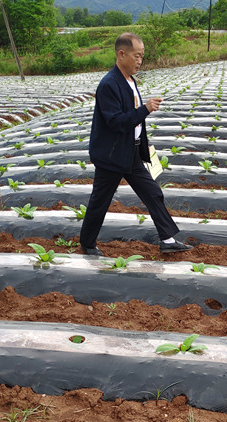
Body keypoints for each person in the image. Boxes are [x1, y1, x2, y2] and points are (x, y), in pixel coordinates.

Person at [79, 32, 192, 256]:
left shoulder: (129, 81)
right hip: (111, 155)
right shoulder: (109, 84)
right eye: (136, 56)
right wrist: (145, 109)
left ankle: (168, 240)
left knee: (152, 192)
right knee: (100, 201)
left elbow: (132, 119)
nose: (140, 61)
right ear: (122, 54)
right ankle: (88, 244)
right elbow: (116, 122)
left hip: (130, 152)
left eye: (142, 57)